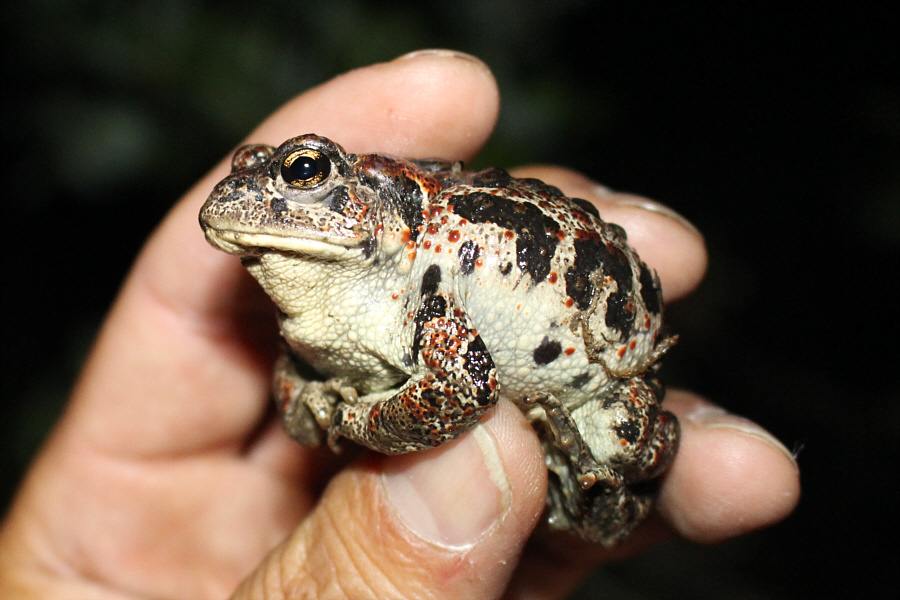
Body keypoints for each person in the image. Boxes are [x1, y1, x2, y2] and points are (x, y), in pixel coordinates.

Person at [0, 50, 799, 599]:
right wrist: (322, 405)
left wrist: (353, 419)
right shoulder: (324, 316)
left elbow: (463, 387)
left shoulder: (420, 277)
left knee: (625, 457)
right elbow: (305, 412)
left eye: (302, 173)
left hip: (595, 382)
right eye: (255, 174)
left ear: (369, 203)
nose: (259, 194)